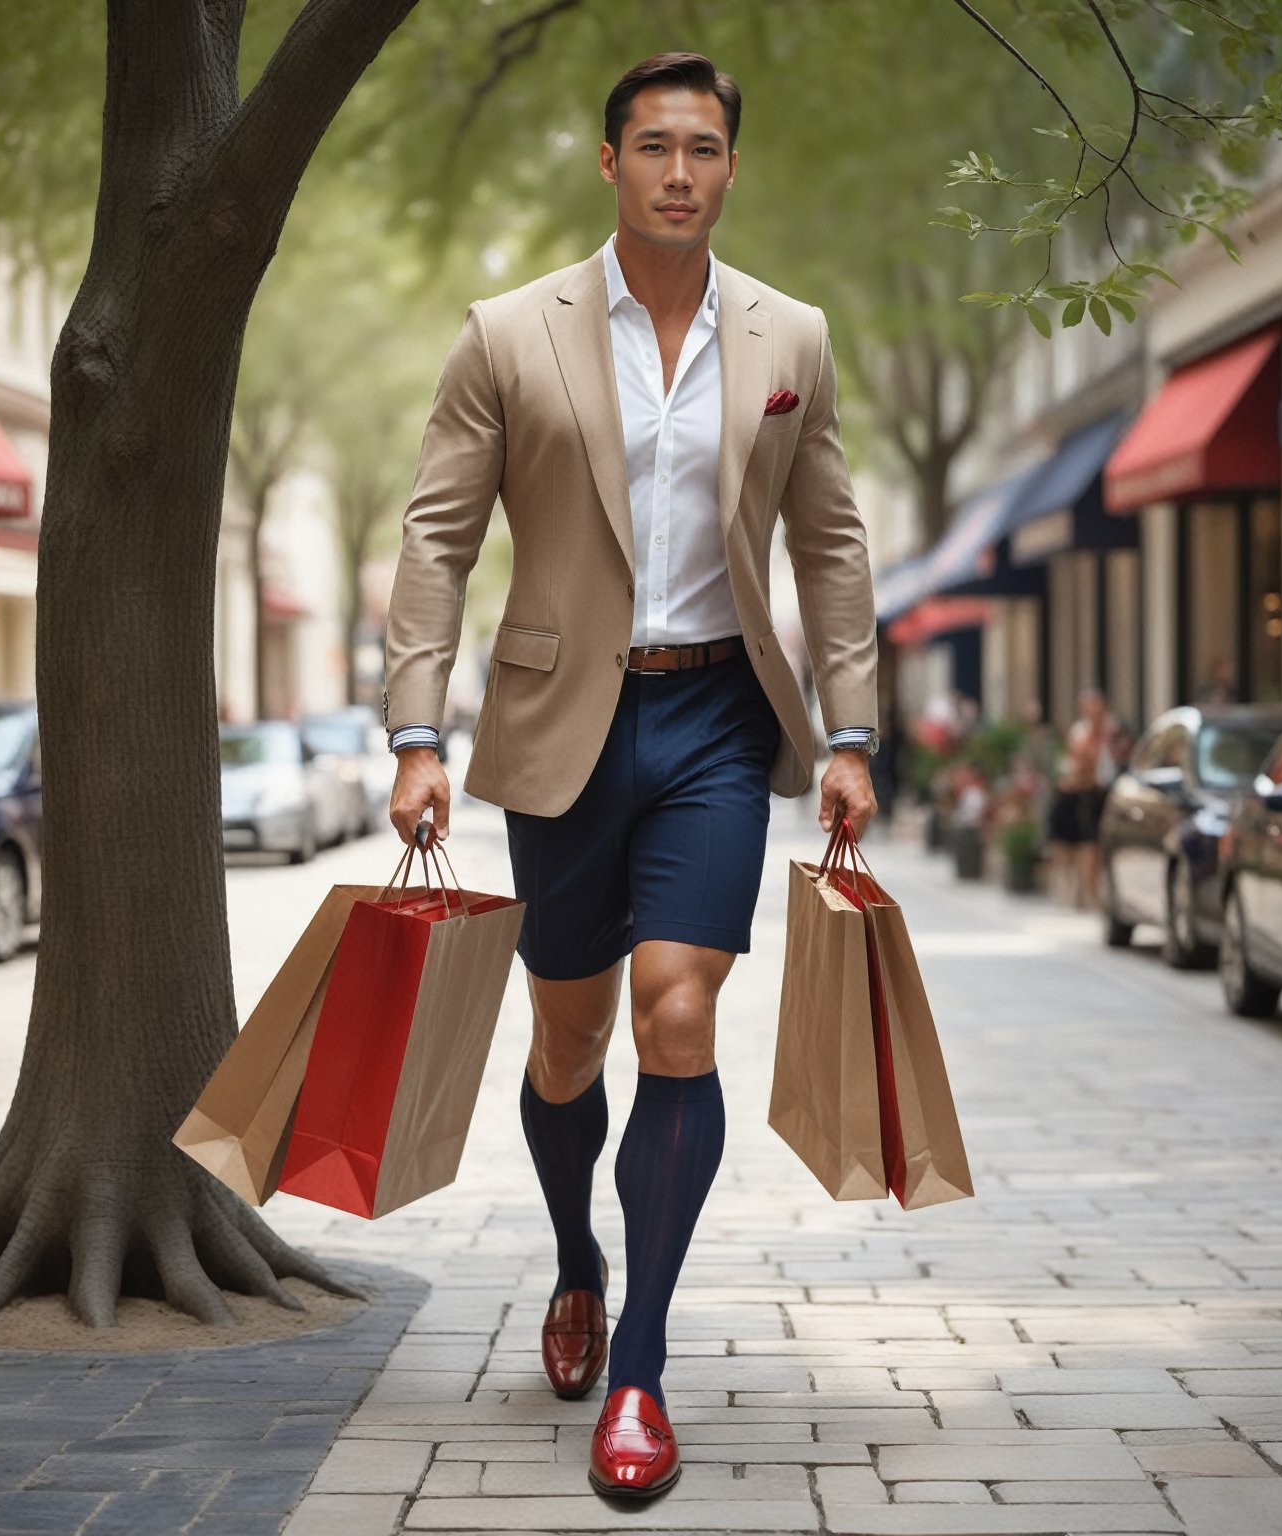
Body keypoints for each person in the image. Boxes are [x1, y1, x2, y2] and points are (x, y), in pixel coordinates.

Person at [381, 53, 879, 1501]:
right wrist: (417, 731)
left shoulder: (791, 335)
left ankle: (645, 1367)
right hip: (561, 728)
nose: (678, 169)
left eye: (704, 147)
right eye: (652, 145)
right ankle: (578, 1258)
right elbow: (435, 537)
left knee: (680, 1006)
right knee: (566, 1043)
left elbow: (831, 544)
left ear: (732, 170)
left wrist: (848, 732)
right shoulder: (507, 333)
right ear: (608, 163)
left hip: (719, 718)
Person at [1053, 686, 1117, 910]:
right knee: (1086, 843)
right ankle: (1087, 891)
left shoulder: (1113, 729)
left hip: (1109, 791)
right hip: (1086, 793)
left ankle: (1095, 891)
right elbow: (1075, 762)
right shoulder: (1080, 732)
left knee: (1100, 845)